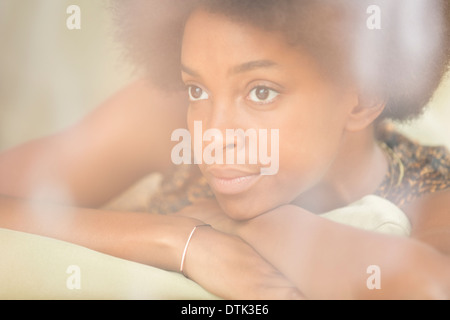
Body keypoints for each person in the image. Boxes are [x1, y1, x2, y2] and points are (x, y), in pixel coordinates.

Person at [0, 0, 449, 299]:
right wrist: (179, 240)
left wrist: (264, 225)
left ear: (363, 97)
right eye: (196, 89)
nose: (211, 134)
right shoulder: (162, 116)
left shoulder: (431, 186)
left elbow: (427, 288)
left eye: (261, 93)